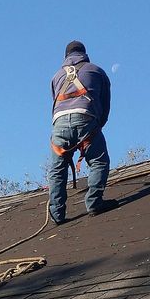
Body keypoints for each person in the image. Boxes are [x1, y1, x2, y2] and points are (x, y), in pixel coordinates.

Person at [48, 40, 115, 224]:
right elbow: (105, 103)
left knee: (57, 170)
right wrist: (98, 125)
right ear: (85, 53)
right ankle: (94, 203)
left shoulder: (56, 76)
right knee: (98, 161)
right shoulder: (96, 71)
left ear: (65, 57)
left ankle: (56, 214)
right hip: (86, 117)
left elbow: (55, 103)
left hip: (59, 123)